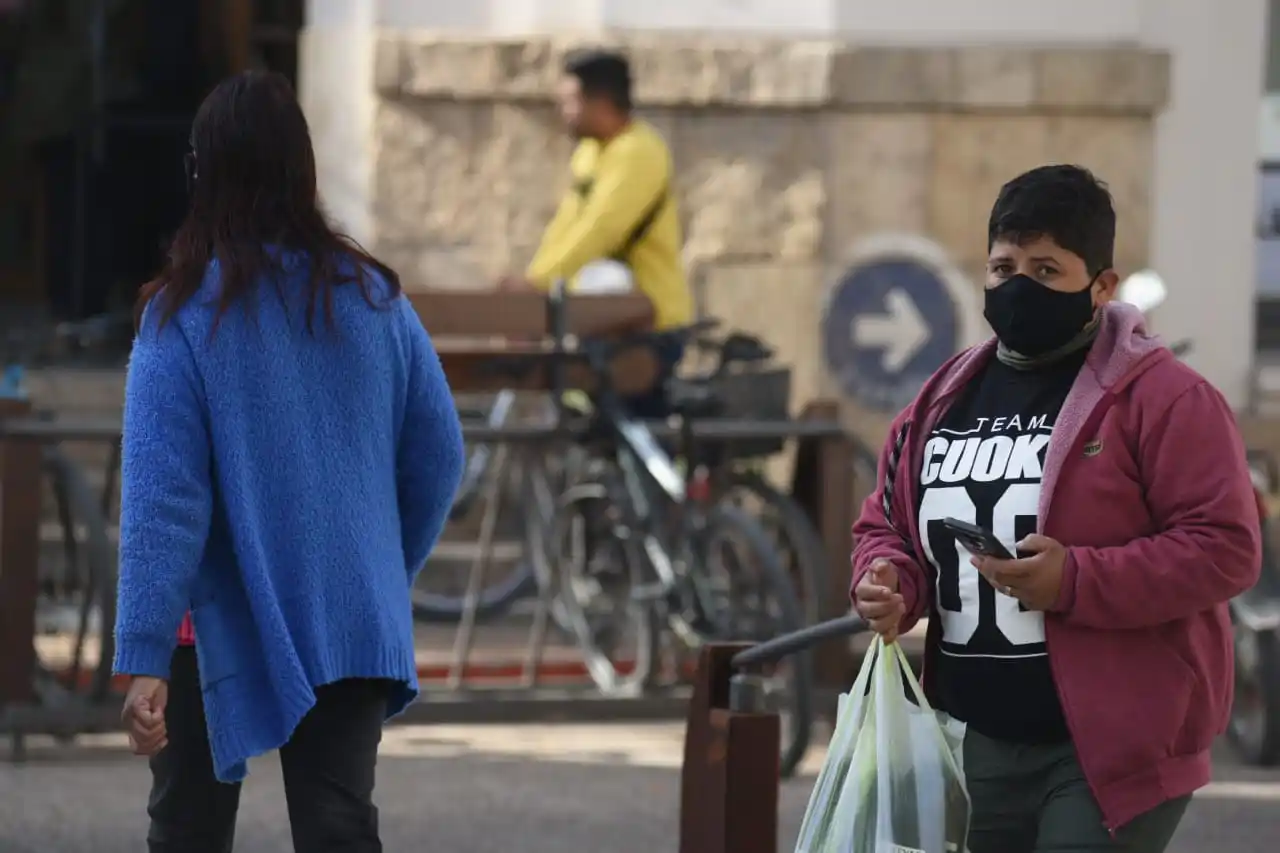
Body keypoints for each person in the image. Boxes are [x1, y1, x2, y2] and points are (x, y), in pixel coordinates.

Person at [850, 165, 1261, 853]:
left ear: (1102, 286)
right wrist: (890, 579)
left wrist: (1074, 580)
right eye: (1003, 266)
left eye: (1046, 269)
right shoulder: (941, 401)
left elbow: (1225, 546)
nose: (1018, 287)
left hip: (1111, 754)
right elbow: (887, 524)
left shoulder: (1167, 400)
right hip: (969, 743)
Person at [112, 70, 465, 853]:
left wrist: (142, 655)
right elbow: (440, 455)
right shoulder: (376, 300)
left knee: (188, 830)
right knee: (340, 825)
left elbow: (162, 502)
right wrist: (378, 562)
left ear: (202, 175)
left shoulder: (179, 318)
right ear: (302, 171)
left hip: (206, 624)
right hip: (347, 608)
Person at [500, 48, 694, 417]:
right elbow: (566, 228)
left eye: (571, 101)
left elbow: (600, 230)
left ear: (601, 101)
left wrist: (539, 284)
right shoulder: (591, 154)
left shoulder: (639, 152)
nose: (564, 111)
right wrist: (532, 288)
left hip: (648, 325)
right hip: (603, 325)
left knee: (635, 431)